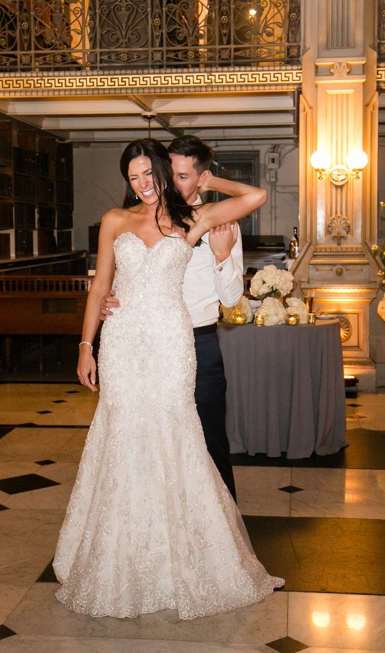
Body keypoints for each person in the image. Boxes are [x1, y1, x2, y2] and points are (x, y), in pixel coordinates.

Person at [55, 139, 282, 619]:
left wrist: (206, 179)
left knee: (176, 435)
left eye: (148, 174)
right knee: (124, 435)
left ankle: (184, 553)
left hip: (172, 341)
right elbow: (100, 285)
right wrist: (85, 345)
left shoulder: (192, 220)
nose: (142, 184)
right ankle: (125, 555)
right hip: (121, 342)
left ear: (162, 171)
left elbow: (256, 197)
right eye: (133, 177)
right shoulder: (116, 222)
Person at [100, 135, 244, 499]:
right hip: (145, 342)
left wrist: (222, 255)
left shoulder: (215, 220)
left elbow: (231, 298)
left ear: (200, 178)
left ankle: (222, 531)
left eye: (182, 176)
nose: (170, 182)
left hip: (197, 339)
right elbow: (120, 275)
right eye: (168, 172)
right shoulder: (136, 219)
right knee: (152, 437)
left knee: (208, 439)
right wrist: (112, 302)